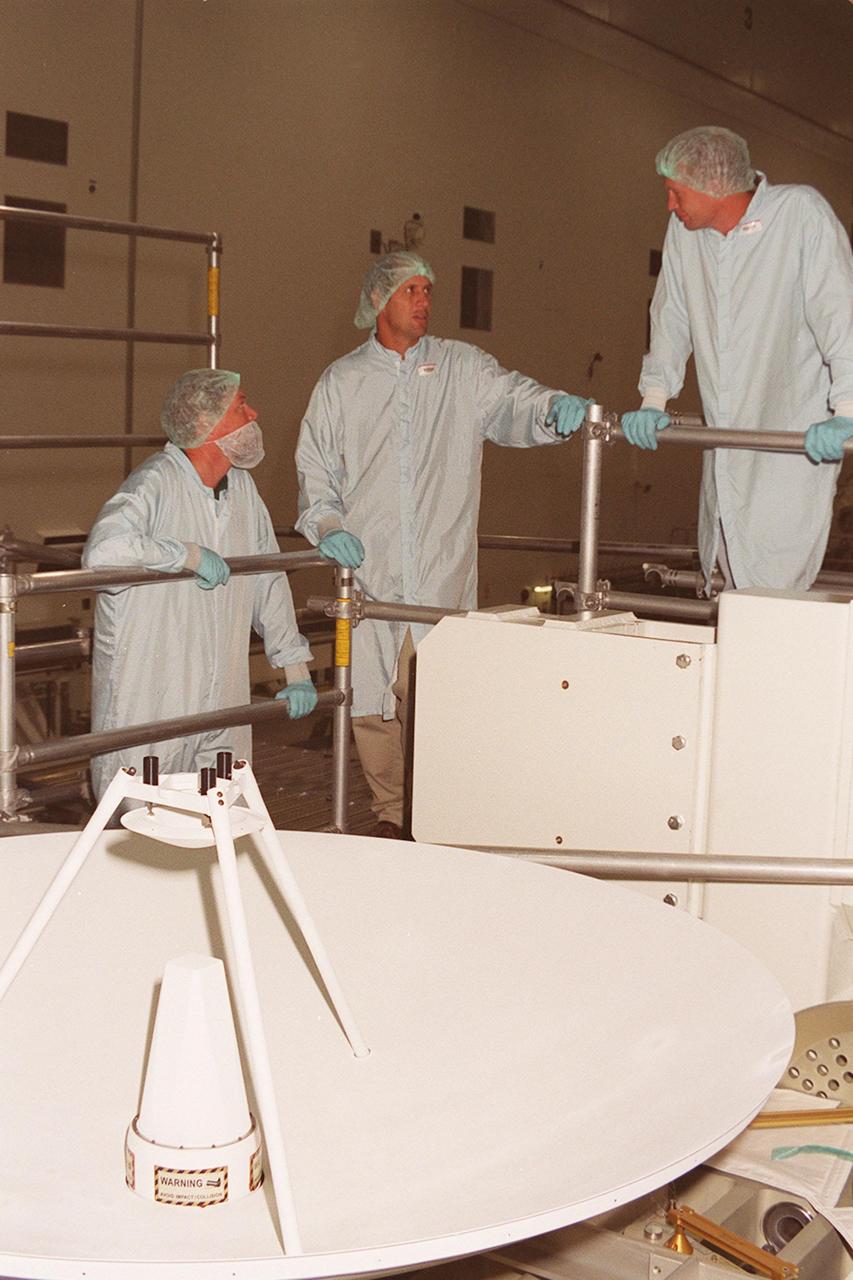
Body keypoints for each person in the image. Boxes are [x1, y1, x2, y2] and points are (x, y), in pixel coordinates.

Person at [295, 250, 590, 838]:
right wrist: (328, 526)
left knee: (441, 706)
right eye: (412, 291)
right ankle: (389, 817)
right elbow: (316, 468)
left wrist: (553, 410)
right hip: (371, 577)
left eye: (429, 291)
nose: (425, 301)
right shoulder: (342, 382)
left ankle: (438, 819)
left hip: (441, 580)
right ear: (380, 300)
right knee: (373, 709)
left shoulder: (460, 367)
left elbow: (511, 400)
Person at [620, 125, 853, 594]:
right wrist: (654, 398)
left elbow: (840, 316)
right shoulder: (687, 235)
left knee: (775, 586)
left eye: (675, 193)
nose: (670, 205)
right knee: (730, 579)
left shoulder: (799, 216)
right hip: (725, 445)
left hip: (793, 444)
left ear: (713, 187)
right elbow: (670, 315)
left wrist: (848, 412)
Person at [83, 368, 317, 800]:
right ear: (206, 424)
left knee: (218, 816)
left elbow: (266, 577)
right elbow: (103, 551)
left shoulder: (242, 491)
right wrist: (185, 555)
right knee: (139, 820)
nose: (254, 413)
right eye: (241, 405)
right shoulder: (156, 483)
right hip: (153, 698)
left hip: (222, 698)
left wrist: (295, 667)